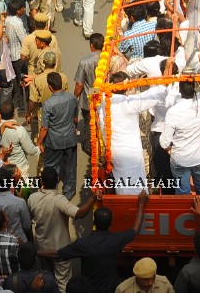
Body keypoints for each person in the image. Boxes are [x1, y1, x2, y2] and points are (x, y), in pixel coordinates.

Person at [47, 192, 150, 293]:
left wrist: (36, 252)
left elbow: (57, 254)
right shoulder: (116, 240)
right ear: (110, 223)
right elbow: (136, 229)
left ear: (94, 223)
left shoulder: (83, 244)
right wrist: (141, 204)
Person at [37, 72, 79, 201]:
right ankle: (69, 192)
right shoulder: (72, 98)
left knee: (51, 167)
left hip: (54, 141)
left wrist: (39, 142)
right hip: (70, 139)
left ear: (50, 87)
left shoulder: (48, 104)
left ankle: (50, 191)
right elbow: (75, 118)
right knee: (70, 167)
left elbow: (44, 127)